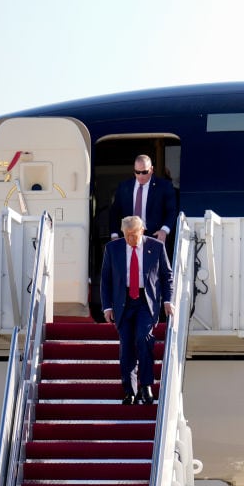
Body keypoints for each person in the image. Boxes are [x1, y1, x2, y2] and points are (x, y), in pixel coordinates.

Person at [101, 215, 175, 405]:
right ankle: (130, 391)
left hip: (146, 301)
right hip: (123, 301)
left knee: (144, 339)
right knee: (126, 346)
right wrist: (107, 306)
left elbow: (166, 275)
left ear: (142, 230)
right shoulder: (112, 248)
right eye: (126, 235)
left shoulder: (156, 247)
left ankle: (146, 385)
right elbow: (106, 280)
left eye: (133, 235)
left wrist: (168, 300)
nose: (129, 239)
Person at [109, 154, 177, 243]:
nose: (140, 176)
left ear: (151, 170)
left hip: (154, 237)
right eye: (137, 172)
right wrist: (114, 235)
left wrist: (164, 230)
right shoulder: (124, 187)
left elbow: (171, 211)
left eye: (144, 172)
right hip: (128, 237)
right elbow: (115, 212)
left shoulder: (164, 186)